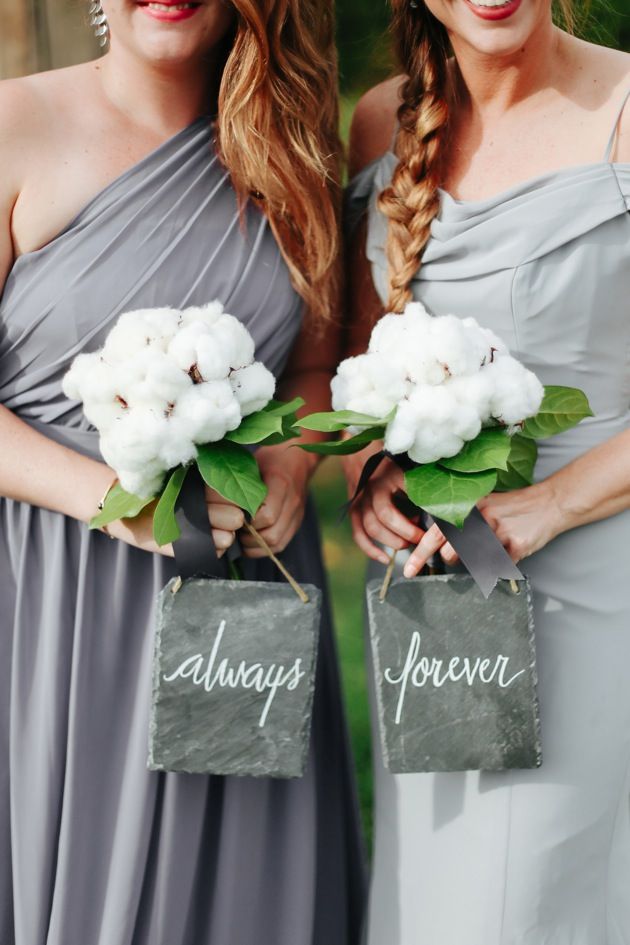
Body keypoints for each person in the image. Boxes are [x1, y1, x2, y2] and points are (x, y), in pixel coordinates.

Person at [0, 2, 366, 943]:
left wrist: (287, 463)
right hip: (54, 603)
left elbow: (318, 367)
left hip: (245, 609)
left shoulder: (297, 153)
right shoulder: (14, 124)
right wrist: (113, 507)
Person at [344, 0, 630, 941]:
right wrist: (373, 470)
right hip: (438, 601)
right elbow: (366, 354)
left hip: (598, 579)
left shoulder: (625, 106)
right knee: (441, 898)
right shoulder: (383, 119)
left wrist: (549, 502)